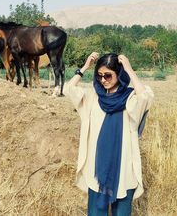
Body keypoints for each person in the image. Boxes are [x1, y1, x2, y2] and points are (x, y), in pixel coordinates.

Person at [64, 52, 154, 215]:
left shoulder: (130, 99)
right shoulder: (93, 97)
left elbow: (146, 98)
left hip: (123, 167)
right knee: (96, 211)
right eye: (99, 76)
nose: (103, 80)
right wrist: (85, 67)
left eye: (108, 75)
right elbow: (69, 89)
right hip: (97, 168)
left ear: (119, 74)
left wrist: (130, 69)